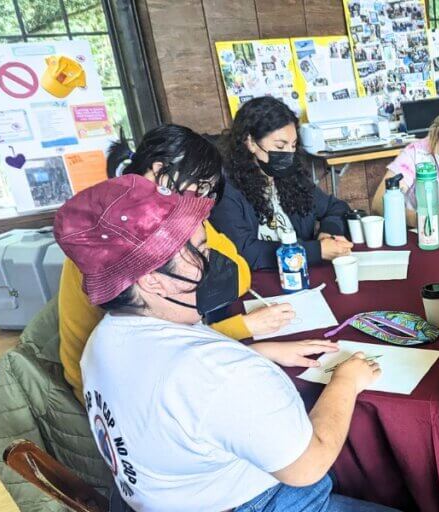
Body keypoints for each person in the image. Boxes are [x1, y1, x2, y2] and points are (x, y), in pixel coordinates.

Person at [54, 174, 393, 512]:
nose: (214, 259)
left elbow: (180, 396)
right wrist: (347, 381)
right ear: (152, 279)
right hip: (260, 502)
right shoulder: (218, 374)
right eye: (201, 251)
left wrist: (260, 351)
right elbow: (309, 465)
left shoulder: (103, 340)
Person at [58, 125, 296, 402]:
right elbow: (151, 355)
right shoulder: (112, 245)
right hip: (114, 391)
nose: (203, 201)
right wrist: (242, 328)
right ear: (159, 173)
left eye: (208, 192)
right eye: (199, 188)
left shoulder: (169, 225)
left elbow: (238, 275)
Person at [211, 96, 353, 270]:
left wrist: (327, 233)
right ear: (251, 143)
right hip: (259, 284)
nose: (288, 154)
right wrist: (316, 251)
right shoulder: (226, 190)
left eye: (293, 146)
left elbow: (336, 207)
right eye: (280, 147)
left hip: (300, 274)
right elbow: (245, 252)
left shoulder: (291, 177)